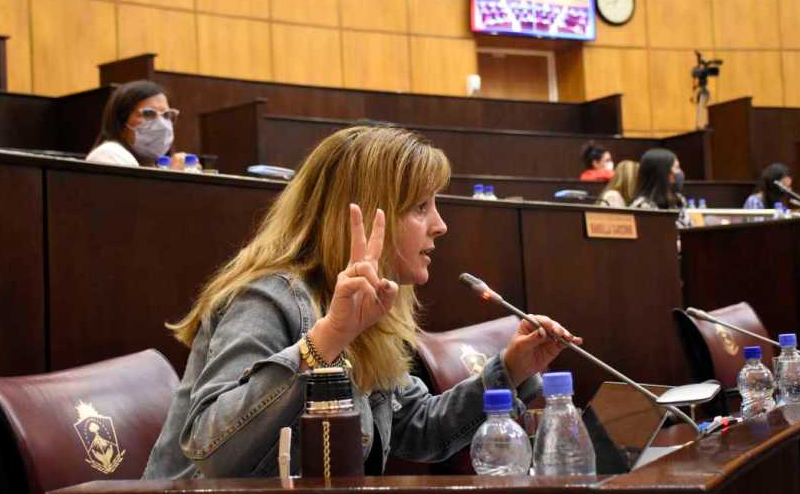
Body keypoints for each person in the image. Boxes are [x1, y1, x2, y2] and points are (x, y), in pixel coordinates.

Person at [142, 126, 581, 479]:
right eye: (420, 207)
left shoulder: (368, 307)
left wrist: (511, 369)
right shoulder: (268, 298)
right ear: (367, 215)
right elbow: (211, 452)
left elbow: (418, 427)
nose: (440, 225)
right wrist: (326, 340)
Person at [86, 80, 179, 167]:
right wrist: (175, 176)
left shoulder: (160, 164)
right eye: (148, 114)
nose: (161, 124)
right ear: (121, 122)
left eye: (166, 115)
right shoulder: (108, 155)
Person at [629, 148, 690, 227]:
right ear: (662, 172)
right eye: (676, 168)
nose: (679, 172)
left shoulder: (679, 199)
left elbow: (689, 227)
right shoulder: (642, 207)